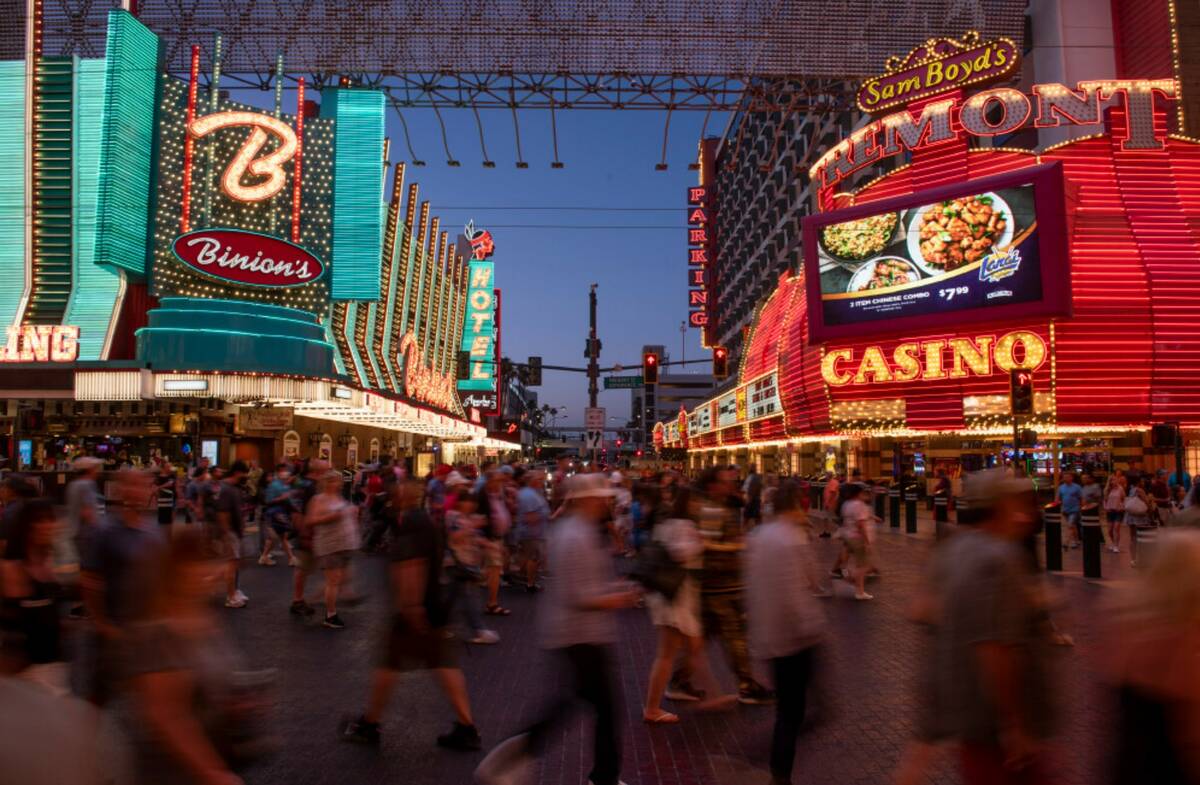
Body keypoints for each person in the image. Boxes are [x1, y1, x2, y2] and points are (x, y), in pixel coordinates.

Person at [475, 473, 640, 785]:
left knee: (572, 707)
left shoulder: (576, 532)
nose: (606, 501)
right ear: (587, 500)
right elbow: (579, 595)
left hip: (578, 634)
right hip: (581, 636)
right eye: (601, 497)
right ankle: (596, 775)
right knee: (596, 709)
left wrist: (611, 590)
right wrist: (617, 598)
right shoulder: (575, 536)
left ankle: (514, 760)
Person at [929, 468, 1058, 785]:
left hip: (967, 718)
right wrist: (1012, 726)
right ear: (1001, 506)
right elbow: (996, 648)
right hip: (1000, 732)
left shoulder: (954, 550)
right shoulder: (1000, 558)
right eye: (1020, 504)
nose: (1028, 514)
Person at [340, 478, 481, 751]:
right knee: (440, 665)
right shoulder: (423, 520)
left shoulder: (413, 523)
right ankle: (466, 727)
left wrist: (411, 607)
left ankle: (370, 724)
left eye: (398, 490)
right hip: (431, 607)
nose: (393, 494)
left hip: (415, 610)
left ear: (406, 496)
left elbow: (412, 564)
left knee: (391, 666)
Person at [118, 529, 257, 785]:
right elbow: (167, 714)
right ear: (177, 569)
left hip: (210, 754)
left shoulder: (207, 618)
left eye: (216, 561)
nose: (214, 571)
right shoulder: (160, 633)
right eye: (201, 562)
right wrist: (213, 772)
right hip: (173, 770)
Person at [745, 480, 826, 785]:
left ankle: (776, 765)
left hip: (769, 635)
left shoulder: (758, 536)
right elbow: (810, 584)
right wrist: (812, 629)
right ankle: (776, 769)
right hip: (797, 639)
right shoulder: (793, 539)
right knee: (799, 712)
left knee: (790, 710)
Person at [1104, 529, 1200, 785]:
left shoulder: (1127, 622)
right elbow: (1192, 737)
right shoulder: (1182, 636)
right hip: (1168, 769)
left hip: (1128, 763)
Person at [679, 466, 774, 705]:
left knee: (705, 635)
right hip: (719, 583)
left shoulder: (715, 504)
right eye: (725, 481)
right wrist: (736, 546)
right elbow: (706, 544)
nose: (731, 485)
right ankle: (746, 685)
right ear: (712, 485)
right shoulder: (710, 508)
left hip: (716, 583)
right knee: (735, 634)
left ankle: (679, 680)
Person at [642, 485, 737, 723]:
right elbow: (680, 554)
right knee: (667, 654)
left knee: (695, 649)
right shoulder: (683, 526)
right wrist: (700, 543)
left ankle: (713, 696)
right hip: (676, 598)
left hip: (676, 597)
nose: (699, 506)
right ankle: (652, 708)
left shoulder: (668, 524)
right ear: (688, 503)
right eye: (696, 502)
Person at [80, 469, 165, 705]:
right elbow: (90, 580)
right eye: (134, 485)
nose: (140, 491)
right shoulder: (105, 530)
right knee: (99, 697)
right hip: (114, 630)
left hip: (145, 629)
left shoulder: (153, 531)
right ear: (120, 489)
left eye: (146, 485)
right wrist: (102, 624)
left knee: (153, 697)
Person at [0, 500, 66, 693]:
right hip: (25, 675)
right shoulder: (13, 570)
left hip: (53, 668)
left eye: (50, 519)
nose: (46, 526)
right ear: (26, 526)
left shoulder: (50, 565)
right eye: (39, 520)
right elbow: (15, 632)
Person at [307, 470, 359, 629]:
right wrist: (331, 517)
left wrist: (352, 513)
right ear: (328, 483)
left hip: (344, 544)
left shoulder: (339, 497)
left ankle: (316, 599)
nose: (340, 484)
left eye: (340, 481)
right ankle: (330, 615)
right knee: (334, 580)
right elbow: (311, 520)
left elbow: (343, 515)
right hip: (330, 545)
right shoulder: (318, 500)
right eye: (336, 481)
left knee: (340, 579)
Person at [288, 459, 325, 616]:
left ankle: (309, 597)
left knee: (306, 567)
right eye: (326, 469)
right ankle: (297, 601)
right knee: (303, 567)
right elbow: (298, 511)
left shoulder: (302, 484)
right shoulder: (310, 487)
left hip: (310, 532)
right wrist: (304, 533)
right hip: (308, 533)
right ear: (316, 471)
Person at [210, 462, 249, 609]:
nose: (247, 476)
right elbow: (222, 513)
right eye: (245, 473)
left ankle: (234, 591)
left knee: (233, 564)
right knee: (231, 565)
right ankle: (231, 597)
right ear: (238, 472)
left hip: (234, 531)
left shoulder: (233, 488)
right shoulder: (226, 489)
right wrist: (227, 534)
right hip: (229, 532)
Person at [476, 469, 514, 616]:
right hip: (489, 539)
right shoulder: (482, 496)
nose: (501, 484)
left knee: (492, 571)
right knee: (494, 570)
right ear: (490, 481)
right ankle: (492, 603)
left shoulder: (497, 495)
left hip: (496, 538)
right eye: (498, 481)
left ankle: (489, 600)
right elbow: (480, 517)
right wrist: (488, 538)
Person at [841, 483, 877, 601]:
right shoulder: (859, 505)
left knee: (860, 564)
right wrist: (867, 542)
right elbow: (861, 525)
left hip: (848, 536)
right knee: (863, 566)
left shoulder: (846, 504)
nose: (864, 495)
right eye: (863, 493)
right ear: (858, 494)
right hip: (857, 538)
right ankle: (859, 591)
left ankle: (852, 580)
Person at [63, 457, 102, 567]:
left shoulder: (73, 484)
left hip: (74, 531)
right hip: (86, 534)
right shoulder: (87, 485)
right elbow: (87, 511)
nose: (98, 471)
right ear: (90, 470)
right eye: (96, 468)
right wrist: (99, 528)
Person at [515, 470, 549, 592]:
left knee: (530, 557)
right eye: (539, 479)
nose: (542, 482)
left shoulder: (534, 493)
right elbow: (530, 517)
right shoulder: (528, 495)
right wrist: (545, 516)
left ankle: (525, 577)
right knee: (533, 558)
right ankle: (530, 584)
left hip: (534, 533)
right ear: (532, 481)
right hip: (531, 533)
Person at [259, 464, 297, 567]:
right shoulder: (274, 485)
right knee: (276, 537)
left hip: (282, 513)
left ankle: (290, 558)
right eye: (283, 470)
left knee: (280, 537)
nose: (286, 472)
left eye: (287, 470)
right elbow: (268, 500)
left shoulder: (285, 484)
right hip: (274, 513)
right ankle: (265, 556)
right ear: (279, 472)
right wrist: (282, 498)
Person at [1125, 476, 1153, 568]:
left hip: (1131, 516)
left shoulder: (1131, 489)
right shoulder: (1140, 490)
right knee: (1141, 537)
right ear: (1138, 482)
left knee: (1132, 537)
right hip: (1140, 516)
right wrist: (1150, 507)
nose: (1143, 482)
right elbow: (1146, 502)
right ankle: (1141, 558)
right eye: (1142, 481)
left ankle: (1133, 559)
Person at [1057, 471, 1083, 549]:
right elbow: (1058, 498)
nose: (1066, 478)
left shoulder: (1077, 487)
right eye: (1064, 477)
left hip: (1075, 509)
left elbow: (1081, 498)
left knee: (1070, 525)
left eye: (1068, 477)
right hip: (1065, 510)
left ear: (1072, 478)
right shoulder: (1061, 487)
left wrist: (1081, 507)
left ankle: (1067, 541)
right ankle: (1076, 540)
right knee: (1073, 526)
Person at [1104, 474, 1127, 553]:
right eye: (1111, 480)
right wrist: (1106, 508)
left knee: (1116, 528)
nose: (1113, 481)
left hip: (1118, 511)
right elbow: (1105, 500)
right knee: (1110, 530)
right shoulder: (1107, 490)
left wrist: (1122, 507)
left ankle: (1116, 545)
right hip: (1110, 511)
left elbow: (1124, 499)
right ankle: (1113, 543)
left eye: (1114, 479)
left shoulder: (1120, 489)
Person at [154, 463, 177, 532]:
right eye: (168, 467)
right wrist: (156, 498)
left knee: (171, 516)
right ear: (164, 468)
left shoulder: (172, 475)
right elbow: (155, 488)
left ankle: (170, 531)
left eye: (170, 466)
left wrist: (159, 487)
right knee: (162, 517)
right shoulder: (158, 477)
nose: (170, 468)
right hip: (162, 500)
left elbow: (172, 484)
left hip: (172, 498)